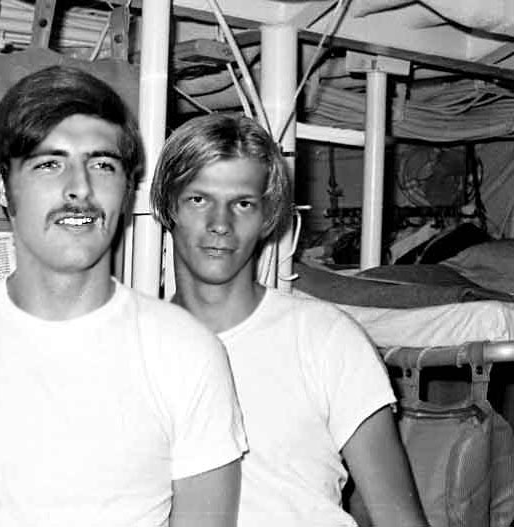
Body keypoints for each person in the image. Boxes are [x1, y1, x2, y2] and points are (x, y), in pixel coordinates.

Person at [0, 66, 248, 527]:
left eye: (102, 165)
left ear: (126, 188)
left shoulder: (187, 354)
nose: (80, 188)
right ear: (1, 183)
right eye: (49, 164)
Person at [150, 113, 428, 527]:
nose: (220, 224)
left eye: (242, 204)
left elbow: (399, 520)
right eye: (199, 200)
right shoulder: (132, 349)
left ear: (267, 217)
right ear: (168, 205)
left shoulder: (324, 338)